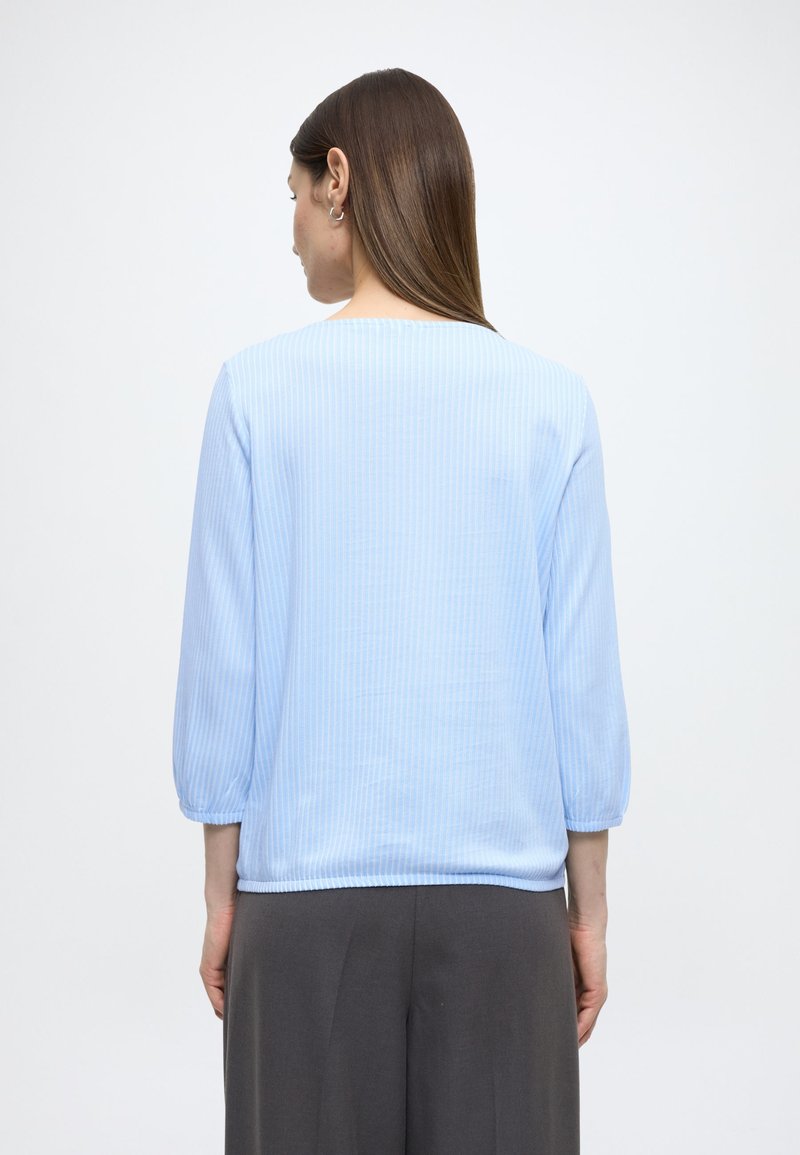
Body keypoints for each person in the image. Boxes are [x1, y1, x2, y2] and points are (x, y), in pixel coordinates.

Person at [172, 67, 631, 1155]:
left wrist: (222, 894)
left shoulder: (255, 393)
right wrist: (589, 909)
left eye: (293, 195)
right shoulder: (549, 404)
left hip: (301, 904)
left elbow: (223, 669)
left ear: (337, 178)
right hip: (506, 913)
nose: (291, 230)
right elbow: (580, 681)